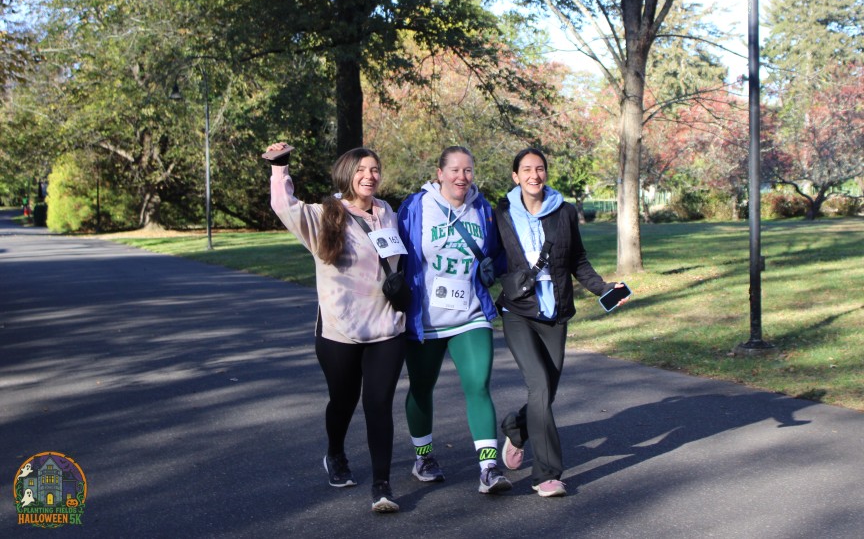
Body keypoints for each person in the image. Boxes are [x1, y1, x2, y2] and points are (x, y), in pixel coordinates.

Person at [265, 142, 406, 513]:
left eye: (374, 169)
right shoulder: (326, 214)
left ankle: (382, 486)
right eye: (361, 170)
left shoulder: (387, 212)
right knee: (343, 400)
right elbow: (284, 206)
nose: (369, 176)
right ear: (346, 174)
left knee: (379, 404)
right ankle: (336, 453)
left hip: (387, 325)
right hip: (340, 329)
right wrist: (280, 167)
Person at [495, 148, 630, 498]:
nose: (534, 175)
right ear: (515, 176)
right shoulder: (501, 213)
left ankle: (516, 426)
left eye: (540, 168)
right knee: (539, 385)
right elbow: (491, 257)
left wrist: (603, 288)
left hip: (555, 313)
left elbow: (577, 260)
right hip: (518, 312)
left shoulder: (564, 212)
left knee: (547, 392)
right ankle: (546, 474)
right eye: (526, 169)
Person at [397, 146, 512, 494]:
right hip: (426, 320)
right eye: (455, 170)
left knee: (478, 385)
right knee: (421, 388)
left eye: (468, 170)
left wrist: (499, 274)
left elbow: (498, 253)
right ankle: (423, 457)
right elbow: (396, 253)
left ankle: (488, 468)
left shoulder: (482, 209)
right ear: (440, 173)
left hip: (470, 314)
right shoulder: (416, 207)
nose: (462, 177)